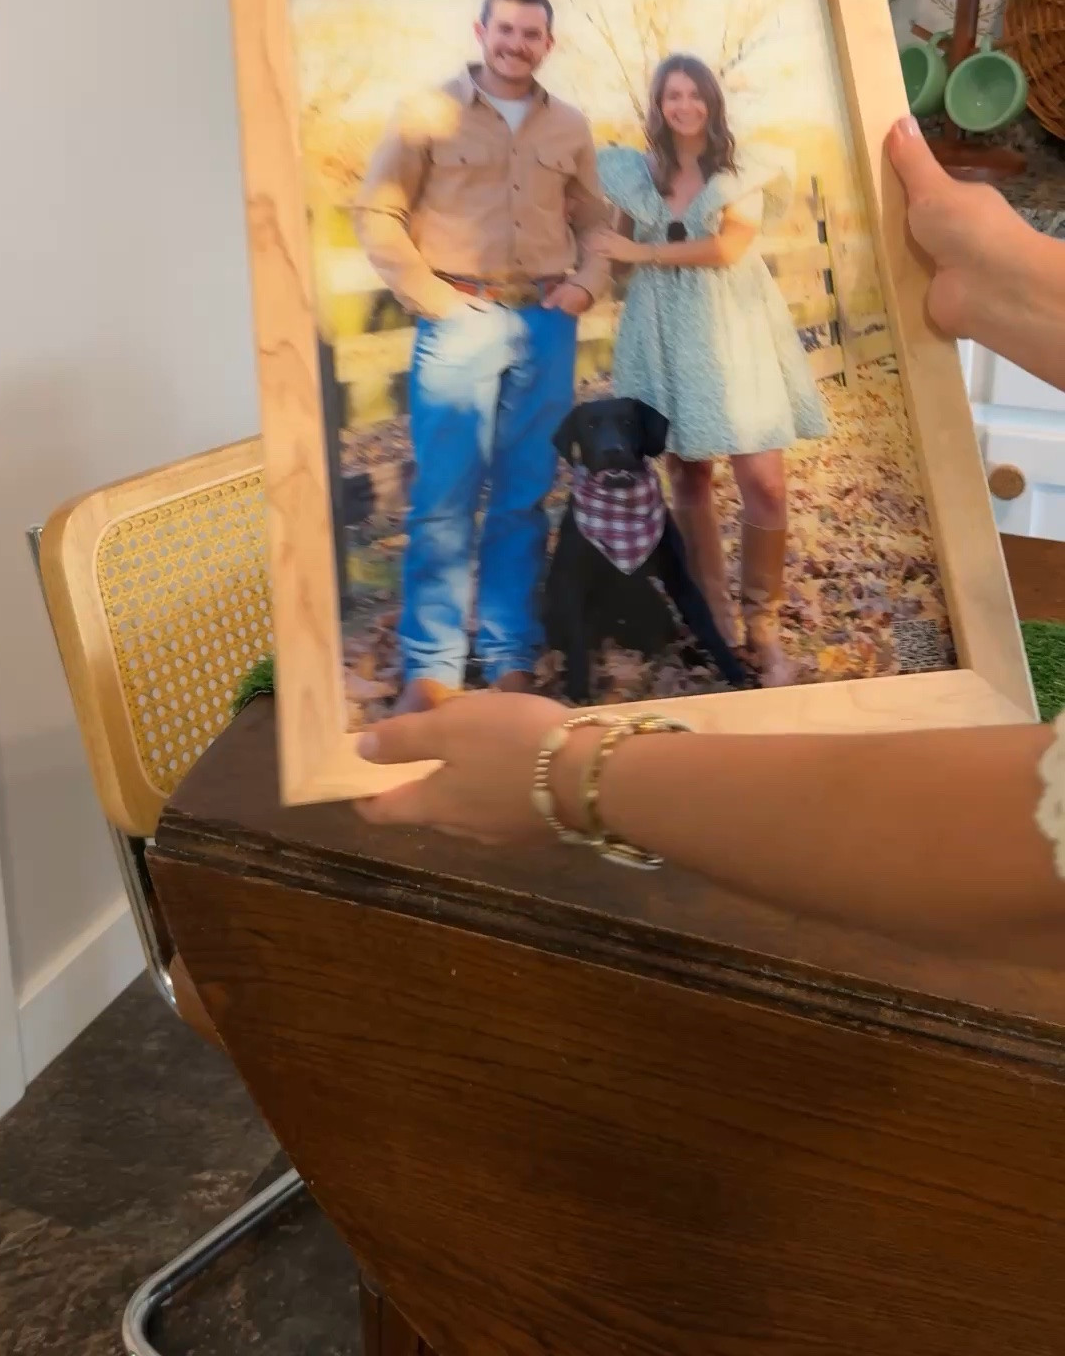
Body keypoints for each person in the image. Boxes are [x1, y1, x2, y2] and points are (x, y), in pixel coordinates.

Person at [354, 117, 1065, 965]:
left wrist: (566, 774)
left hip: (716, 332)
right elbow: (587, 197)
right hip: (635, 332)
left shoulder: (725, 173)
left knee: (737, 492)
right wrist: (1019, 279)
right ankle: (702, 627)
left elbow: (1018, 840)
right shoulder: (613, 165)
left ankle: (743, 627)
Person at [356, 0, 610, 712]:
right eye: (505, 30)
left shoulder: (571, 125)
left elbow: (596, 221)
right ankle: (431, 667)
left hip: (546, 324)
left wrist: (586, 286)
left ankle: (508, 656)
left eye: (531, 34)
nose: (516, 44)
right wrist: (435, 300)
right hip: (459, 319)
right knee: (444, 497)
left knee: (524, 496)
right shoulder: (428, 111)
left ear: (548, 44)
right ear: (481, 31)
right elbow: (377, 212)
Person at [593, 55, 827, 687]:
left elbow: (728, 247)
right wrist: (597, 250)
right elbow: (618, 257)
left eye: (695, 94)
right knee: (688, 474)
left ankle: (763, 630)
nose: (685, 105)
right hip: (662, 330)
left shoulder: (737, 167)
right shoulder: (636, 173)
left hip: (733, 327)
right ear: (658, 106)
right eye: (672, 95)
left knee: (765, 481)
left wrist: (642, 250)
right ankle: (717, 624)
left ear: (712, 102)